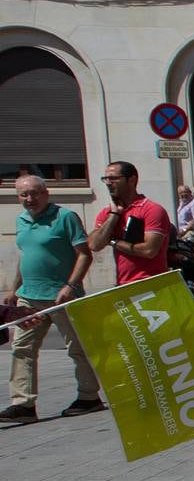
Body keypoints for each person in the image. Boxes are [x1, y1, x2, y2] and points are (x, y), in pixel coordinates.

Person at [0, 175, 104, 424]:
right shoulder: (22, 220)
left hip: (62, 298)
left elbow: (84, 254)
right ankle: (23, 404)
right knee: (22, 348)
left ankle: (89, 397)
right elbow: (26, 256)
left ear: (46, 193)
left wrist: (71, 285)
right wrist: (14, 288)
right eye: (23, 195)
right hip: (29, 297)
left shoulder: (65, 217)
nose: (29, 199)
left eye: (34, 193)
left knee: (76, 349)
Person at [88, 161, 171, 285]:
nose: (109, 183)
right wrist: (114, 216)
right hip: (123, 285)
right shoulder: (108, 213)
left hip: (152, 283)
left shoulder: (151, 210)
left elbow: (149, 251)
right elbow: (94, 245)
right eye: (105, 179)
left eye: (114, 178)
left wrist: (113, 241)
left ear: (131, 180)